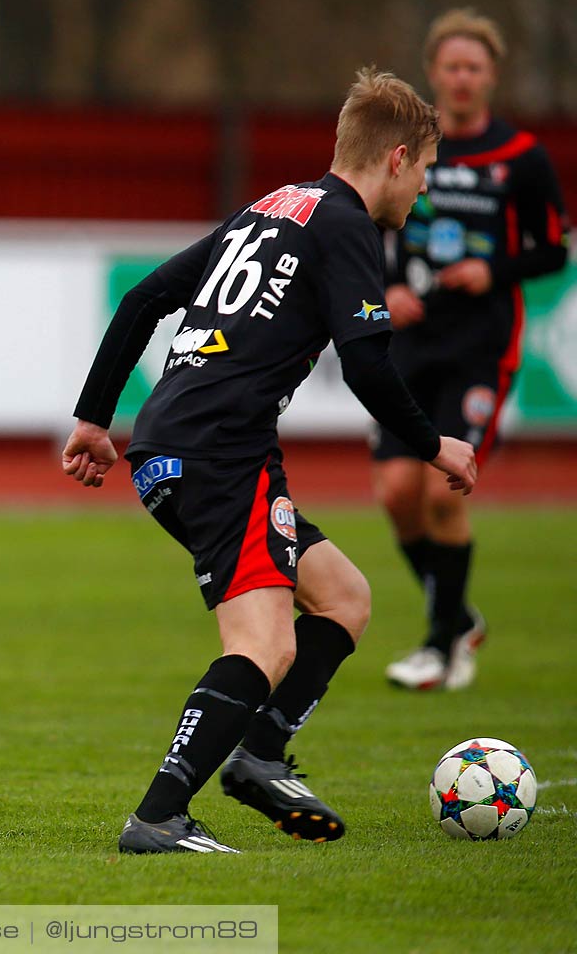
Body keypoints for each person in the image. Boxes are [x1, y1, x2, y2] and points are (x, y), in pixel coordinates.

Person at [61, 68, 479, 854]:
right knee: (264, 644)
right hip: (223, 449)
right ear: (394, 159)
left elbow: (142, 299)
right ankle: (158, 815)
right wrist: (433, 445)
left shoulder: (273, 206)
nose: (421, 191)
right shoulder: (347, 224)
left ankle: (259, 755)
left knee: (344, 598)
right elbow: (366, 363)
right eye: (423, 170)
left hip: (173, 445)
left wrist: (93, 419)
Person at [373, 9, 570, 692]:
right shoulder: (403, 148)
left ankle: (440, 644)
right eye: (451, 67)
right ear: (433, 74)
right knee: (397, 493)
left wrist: (496, 271)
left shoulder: (521, 157)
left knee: (441, 487)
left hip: (481, 349)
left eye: (474, 68)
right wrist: (391, 285)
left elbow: (555, 246)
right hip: (410, 342)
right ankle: (457, 613)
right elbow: (372, 223)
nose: (461, 78)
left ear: (491, 77)